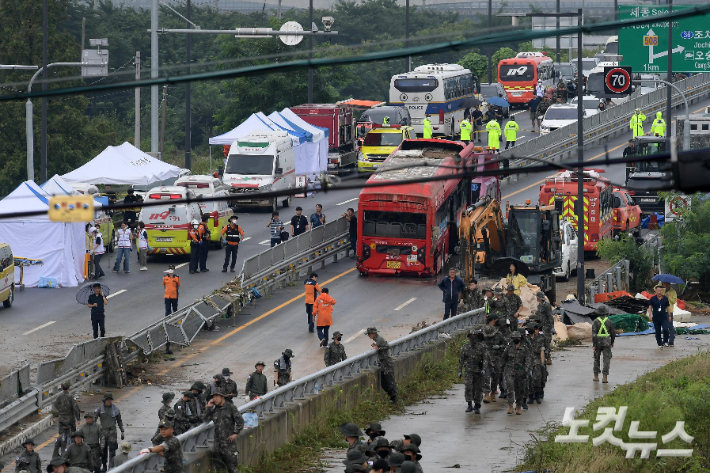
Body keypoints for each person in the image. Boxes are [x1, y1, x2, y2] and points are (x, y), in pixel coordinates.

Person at [202, 387, 244, 473]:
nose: (215, 398)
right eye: (214, 396)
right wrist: (208, 407)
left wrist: (235, 433)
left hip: (229, 444)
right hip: (218, 445)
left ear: (223, 397)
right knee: (220, 469)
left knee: (232, 469)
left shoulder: (231, 408)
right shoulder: (214, 409)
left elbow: (240, 422)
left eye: (217, 396)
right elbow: (205, 419)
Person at [459, 329, 489, 414]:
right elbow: (461, 360)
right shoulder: (465, 347)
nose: (473, 338)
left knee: (478, 389)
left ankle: (477, 405)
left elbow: (486, 359)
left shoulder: (482, 347)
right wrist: (460, 371)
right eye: (471, 336)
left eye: (475, 336)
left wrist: (484, 369)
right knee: (468, 387)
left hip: (478, 371)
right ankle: (469, 404)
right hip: (468, 370)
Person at [502, 331, 531, 415]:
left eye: (517, 338)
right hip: (510, 371)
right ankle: (510, 406)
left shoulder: (525, 348)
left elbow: (528, 360)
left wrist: (526, 370)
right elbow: (504, 358)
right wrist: (502, 369)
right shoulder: (509, 348)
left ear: (520, 339)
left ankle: (518, 407)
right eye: (513, 338)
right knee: (510, 388)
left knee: (520, 390)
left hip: (520, 372)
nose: (515, 339)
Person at [367, 327, 398, 403]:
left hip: (387, 362)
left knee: (389, 380)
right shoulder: (377, 339)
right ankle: (391, 396)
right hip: (383, 362)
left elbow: (387, 346)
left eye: (369, 334)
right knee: (383, 382)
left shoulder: (379, 339)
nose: (368, 336)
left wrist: (378, 348)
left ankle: (394, 397)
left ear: (373, 333)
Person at [95, 393, 124, 471]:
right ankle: (104, 465)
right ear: (104, 401)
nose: (109, 401)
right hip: (103, 432)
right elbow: (94, 419)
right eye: (107, 400)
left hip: (112, 432)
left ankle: (111, 466)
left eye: (110, 400)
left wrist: (122, 431)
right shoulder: (100, 409)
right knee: (103, 450)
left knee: (112, 450)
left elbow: (119, 421)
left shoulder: (115, 409)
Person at [52, 382, 81, 458]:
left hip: (61, 419)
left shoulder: (59, 397)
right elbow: (75, 408)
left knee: (62, 438)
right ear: (69, 388)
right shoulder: (71, 397)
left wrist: (61, 411)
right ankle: (71, 454)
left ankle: (63, 453)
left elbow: (55, 404)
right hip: (70, 419)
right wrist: (78, 418)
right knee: (72, 437)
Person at [482, 313, 506, 402]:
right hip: (486, 357)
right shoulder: (482, 333)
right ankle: (487, 394)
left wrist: (499, 347)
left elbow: (504, 344)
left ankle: (493, 392)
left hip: (496, 357)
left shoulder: (499, 334)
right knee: (486, 376)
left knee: (496, 375)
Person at [592, 308, 615, 383]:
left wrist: (594, 345)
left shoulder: (595, 321)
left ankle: (596, 376)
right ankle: (605, 377)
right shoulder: (609, 321)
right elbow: (613, 333)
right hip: (607, 342)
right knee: (606, 359)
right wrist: (612, 342)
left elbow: (594, 334)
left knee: (596, 359)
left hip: (598, 342)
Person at [527, 323, 547, 404]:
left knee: (537, 378)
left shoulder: (540, 339)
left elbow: (542, 351)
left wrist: (542, 363)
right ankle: (531, 396)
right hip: (528, 360)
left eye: (535, 329)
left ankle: (538, 394)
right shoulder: (525, 339)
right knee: (528, 379)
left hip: (537, 359)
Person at [534, 291, 554, 365]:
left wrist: (552, 326)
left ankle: (548, 357)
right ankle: (543, 357)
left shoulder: (547, 306)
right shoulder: (539, 306)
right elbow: (538, 315)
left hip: (546, 326)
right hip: (541, 326)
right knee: (540, 341)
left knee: (546, 341)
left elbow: (550, 316)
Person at [662, 281, 678, 346]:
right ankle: (665, 340)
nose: (665, 285)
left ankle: (671, 340)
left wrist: (668, 297)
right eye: (664, 283)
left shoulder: (673, 292)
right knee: (664, 326)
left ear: (669, 284)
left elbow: (674, 301)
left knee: (670, 326)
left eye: (666, 283)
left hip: (669, 311)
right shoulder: (662, 290)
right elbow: (655, 288)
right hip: (663, 310)